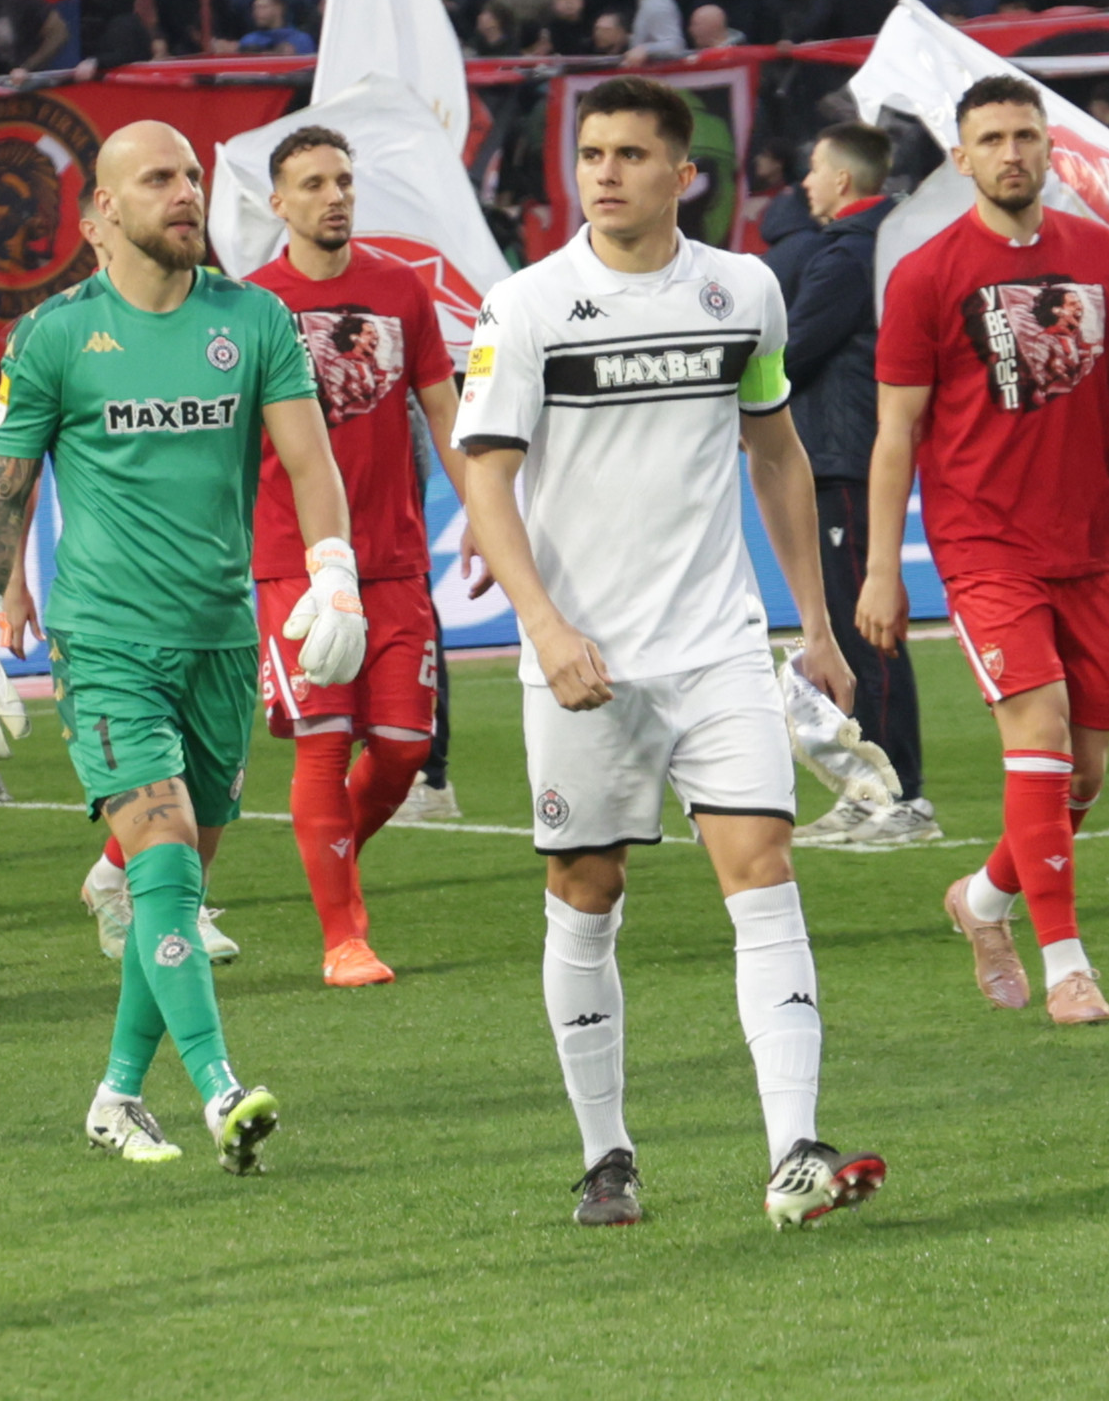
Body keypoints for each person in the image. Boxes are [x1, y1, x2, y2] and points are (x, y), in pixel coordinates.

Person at [454, 75, 883, 1229]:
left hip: (716, 646)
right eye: (589, 152)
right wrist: (543, 629)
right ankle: (607, 1155)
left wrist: (817, 626)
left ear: (682, 172)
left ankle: (794, 1144)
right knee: (584, 891)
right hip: (585, 660)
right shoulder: (527, 304)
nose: (602, 172)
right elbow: (484, 475)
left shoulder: (741, 289)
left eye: (630, 154)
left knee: (762, 869)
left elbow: (776, 450)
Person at [0, 119, 346, 1174]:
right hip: (108, 642)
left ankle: (116, 1095)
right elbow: (5, 491)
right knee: (163, 865)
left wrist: (334, 571)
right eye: (159, 176)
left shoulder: (254, 318)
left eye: (194, 173)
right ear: (101, 216)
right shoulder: (54, 337)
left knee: (174, 888)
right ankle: (219, 1090)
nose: (186, 190)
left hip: (219, 638)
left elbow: (307, 461)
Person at [861, 76, 1109, 1028]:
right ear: (958, 158)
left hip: (1087, 545)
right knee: (1037, 733)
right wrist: (884, 568)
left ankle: (983, 900)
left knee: (1084, 772)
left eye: (1025, 135)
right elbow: (896, 432)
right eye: (991, 139)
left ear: (1050, 150)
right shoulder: (925, 273)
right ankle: (1068, 968)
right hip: (984, 546)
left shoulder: (1095, 255)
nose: (1012, 152)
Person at [237, 128, 480, 987]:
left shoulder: (400, 290)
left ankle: (328, 851)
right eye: (311, 184)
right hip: (294, 564)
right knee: (323, 744)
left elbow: (442, 409)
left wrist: (482, 512)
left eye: (342, 180)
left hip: (397, 558)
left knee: (408, 748)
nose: (333, 196)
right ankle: (343, 937)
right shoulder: (251, 303)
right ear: (278, 202)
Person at [762, 125, 930, 846]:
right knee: (859, 626)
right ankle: (882, 791)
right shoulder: (884, 247)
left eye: (812, 168)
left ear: (841, 181)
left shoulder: (848, 253)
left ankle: (894, 797)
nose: (803, 182)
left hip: (842, 450)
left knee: (865, 630)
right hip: (852, 448)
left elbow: (792, 348)